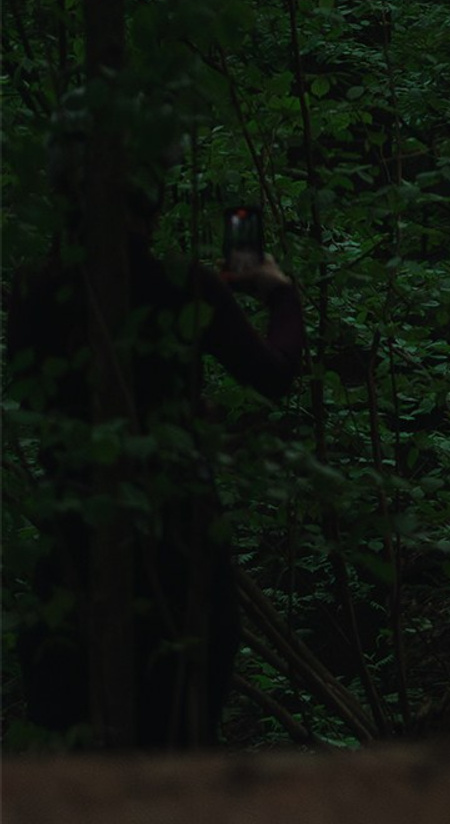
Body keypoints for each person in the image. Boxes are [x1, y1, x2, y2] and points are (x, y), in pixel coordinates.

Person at [6, 109, 305, 747]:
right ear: (152, 191)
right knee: (178, 750)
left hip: (72, 548)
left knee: (72, 760)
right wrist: (279, 294)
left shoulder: (35, 290)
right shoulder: (185, 287)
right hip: (180, 551)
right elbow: (275, 374)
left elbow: (37, 401)